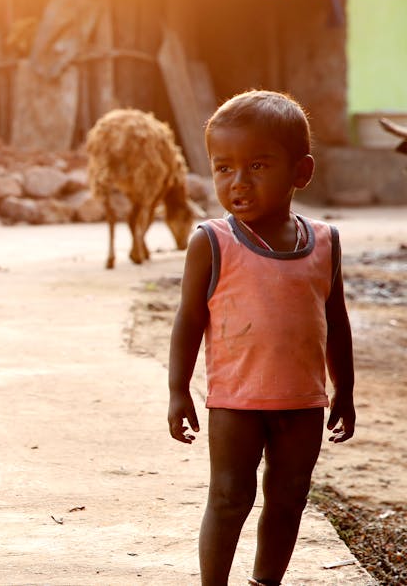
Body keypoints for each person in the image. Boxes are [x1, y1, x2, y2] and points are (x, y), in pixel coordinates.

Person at [166, 90, 356, 586]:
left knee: (290, 496)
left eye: (257, 166)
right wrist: (177, 389)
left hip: (303, 402)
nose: (238, 183)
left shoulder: (325, 242)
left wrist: (346, 391)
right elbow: (188, 320)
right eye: (223, 168)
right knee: (229, 498)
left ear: (301, 172)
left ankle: (265, 582)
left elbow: (335, 320)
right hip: (235, 401)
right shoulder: (211, 242)